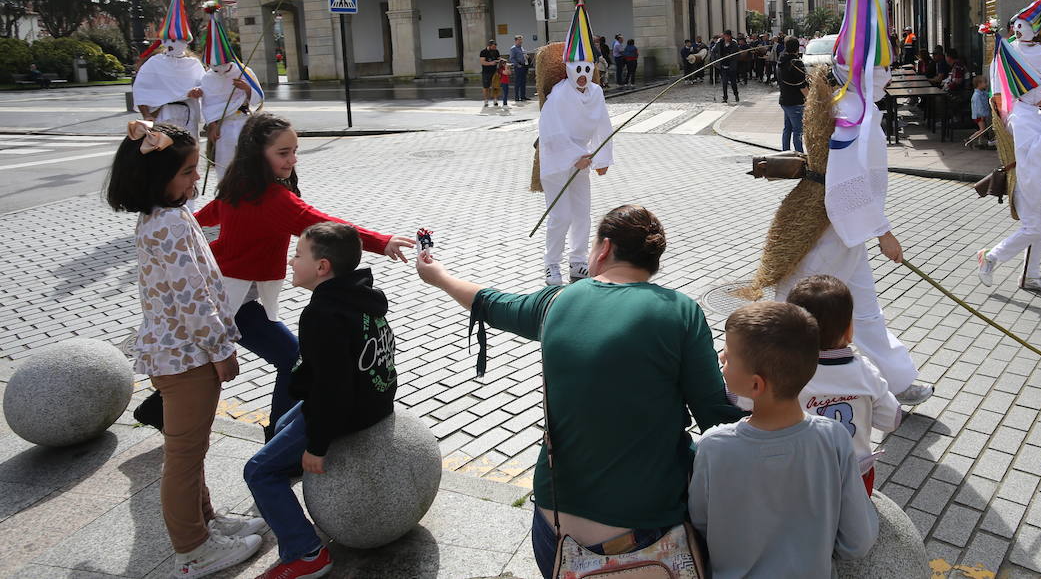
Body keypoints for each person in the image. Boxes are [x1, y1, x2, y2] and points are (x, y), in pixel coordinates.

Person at [414, 205, 744, 579]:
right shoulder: (681, 312)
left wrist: (438, 275)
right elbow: (717, 420)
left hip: (555, 532)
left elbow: (489, 301)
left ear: (603, 249)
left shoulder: (557, 301)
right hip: (650, 536)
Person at [751, 0, 933, 405]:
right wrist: (884, 232)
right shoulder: (852, 111)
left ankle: (897, 380)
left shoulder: (856, 103)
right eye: (883, 68)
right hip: (829, 225)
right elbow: (849, 182)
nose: (887, 75)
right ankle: (760, 385)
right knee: (796, 302)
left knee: (862, 309)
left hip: (843, 228)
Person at [107, 120, 264, 578]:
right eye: (187, 172)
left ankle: (205, 523)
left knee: (189, 450)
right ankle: (193, 549)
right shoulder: (171, 223)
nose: (196, 179)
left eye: (197, 168)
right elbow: (192, 297)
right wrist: (221, 350)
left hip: (174, 353)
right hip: (189, 355)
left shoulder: (160, 216)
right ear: (156, 178)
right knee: (183, 456)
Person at [194, 113, 413, 437]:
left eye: (294, 150)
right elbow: (326, 227)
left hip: (221, 293)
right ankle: (278, 438)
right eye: (283, 153)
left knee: (200, 365)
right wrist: (382, 242)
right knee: (293, 359)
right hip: (229, 300)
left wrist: (182, 231)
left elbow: (201, 218)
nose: (293, 160)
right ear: (258, 153)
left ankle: (158, 409)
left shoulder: (238, 184)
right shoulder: (271, 198)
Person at [244, 222, 397, 579]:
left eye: (298, 255)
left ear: (322, 267)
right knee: (281, 426)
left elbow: (333, 389)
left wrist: (317, 445)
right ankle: (290, 485)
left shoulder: (322, 314)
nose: (291, 261)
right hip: (374, 401)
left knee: (258, 471)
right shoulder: (357, 297)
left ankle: (306, 552)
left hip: (348, 411)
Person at [690, 301, 877, 578]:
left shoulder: (713, 446)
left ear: (755, 384)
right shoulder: (834, 437)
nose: (720, 357)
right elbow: (857, 541)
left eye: (728, 356)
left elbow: (701, 520)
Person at [975, 0, 1041, 295]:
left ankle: (1031, 275)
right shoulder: (1024, 115)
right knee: (1033, 227)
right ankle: (990, 257)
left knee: (1040, 227)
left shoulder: (1024, 110)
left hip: (1031, 171)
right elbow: (1034, 153)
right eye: (1040, 84)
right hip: (1027, 177)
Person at [787, 275, 901, 496]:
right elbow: (891, 419)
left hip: (800, 475)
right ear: (850, 329)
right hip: (854, 474)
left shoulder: (784, 369)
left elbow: (743, 401)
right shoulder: (865, 371)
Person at [533, 0, 613, 285]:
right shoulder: (559, 95)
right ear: (568, 68)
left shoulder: (596, 93)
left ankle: (578, 261)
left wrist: (602, 156)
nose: (581, 76)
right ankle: (551, 263)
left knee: (583, 214)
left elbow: (603, 126)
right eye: (576, 69)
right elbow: (550, 131)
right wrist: (576, 156)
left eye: (586, 69)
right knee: (561, 215)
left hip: (581, 161)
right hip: (557, 161)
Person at [199, 2, 264, 174]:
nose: (220, 72)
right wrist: (212, 126)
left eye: (223, 67)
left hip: (243, 122)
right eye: (215, 68)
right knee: (225, 164)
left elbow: (259, 98)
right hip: (223, 127)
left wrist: (247, 89)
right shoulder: (207, 78)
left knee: (248, 162)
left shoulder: (243, 71)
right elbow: (208, 105)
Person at [134, 0, 204, 132]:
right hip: (164, 116)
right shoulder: (154, 63)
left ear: (186, 42)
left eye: (178, 40)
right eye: (170, 39)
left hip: (188, 116)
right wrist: (147, 115)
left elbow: (205, 86)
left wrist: (199, 91)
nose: (174, 44)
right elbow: (141, 90)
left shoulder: (193, 64)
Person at [777, 36, 807, 152]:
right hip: (795, 102)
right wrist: (810, 99)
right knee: (798, 131)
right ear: (797, 48)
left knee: (787, 129)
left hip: (784, 100)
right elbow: (802, 85)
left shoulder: (781, 60)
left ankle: (785, 153)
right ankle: (799, 157)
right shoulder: (796, 63)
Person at [714, 29, 741, 103]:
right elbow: (713, 51)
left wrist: (730, 56)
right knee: (724, 82)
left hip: (731, 67)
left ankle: (736, 94)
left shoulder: (734, 44)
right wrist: (714, 61)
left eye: (727, 36)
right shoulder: (720, 43)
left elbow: (737, 55)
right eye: (725, 36)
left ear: (730, 36)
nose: (726, 38)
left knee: (733, 83)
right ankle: (725, 97)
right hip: (723, 66)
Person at [970, 74, 993, 149]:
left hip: (981, 115)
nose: (986, 84)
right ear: (979, 84)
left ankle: (980, 142)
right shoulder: (977, 95)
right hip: (979, 116)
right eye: (985, 82)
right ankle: (970, 139)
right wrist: (982, 115)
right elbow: (979, 107)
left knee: (983, 129)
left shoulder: (982, 93)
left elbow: (989, 94)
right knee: (982, 129)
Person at [479, 39, 501, 107]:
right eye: (493, 46)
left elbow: (499, 59)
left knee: (495, 86)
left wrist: (500, 61)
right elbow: (482, 62)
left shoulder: (496, 51)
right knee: (486, 87)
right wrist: (491, 63)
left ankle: (495, 100)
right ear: (489, 46)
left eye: (495, 46)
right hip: (486, 72)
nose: (495, 48)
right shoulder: (483, 52)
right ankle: (486, 101)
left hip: (494, 71)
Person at [510, 35, 529, 102]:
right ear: (515, 41)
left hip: (524, 66)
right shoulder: (513, 48)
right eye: (519, 40)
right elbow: (511, 58)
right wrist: (517, 65)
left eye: (521, 40)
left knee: (523, 82)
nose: (521, 41)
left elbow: (523, 55)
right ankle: (517, 97)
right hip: (518, 66)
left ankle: (523, 96)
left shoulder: (522, 48)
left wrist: (526, 56)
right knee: (518, 82)